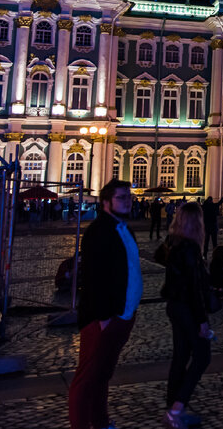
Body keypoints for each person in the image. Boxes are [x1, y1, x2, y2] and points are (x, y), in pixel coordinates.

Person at [69, 179, 142, 429]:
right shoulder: (98, 231)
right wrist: (103, 318)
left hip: (122, 314)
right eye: (121, 197)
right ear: (106, 202)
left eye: (128, 197)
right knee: (87, 378)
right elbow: (94, 277)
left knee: (102, 375)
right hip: (102, 318)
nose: (127, 201)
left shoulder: (125, 228)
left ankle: (100, 422)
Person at [160, 201, 213, 428]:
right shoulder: (190, 248)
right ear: (196, 222)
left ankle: (173, 411)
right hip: (187, 309)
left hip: (175, 306)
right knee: (202, 356)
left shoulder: (174, 244)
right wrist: (202, 322)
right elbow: (194, 288)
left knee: (181, 357)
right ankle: (177, 408)